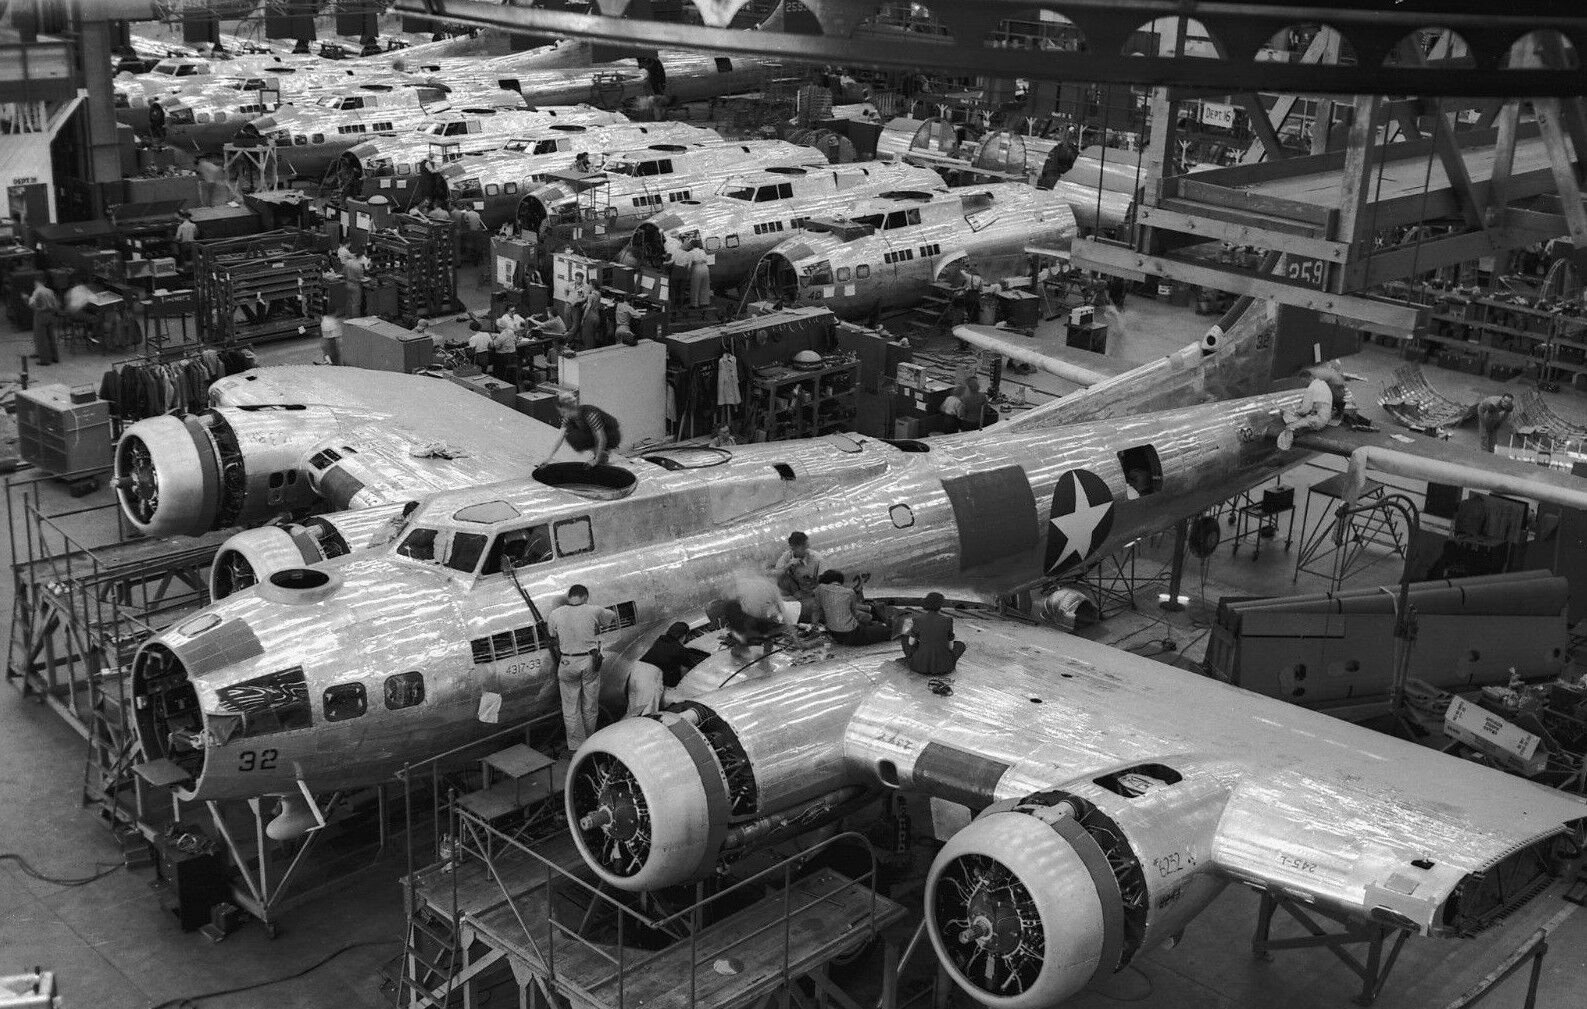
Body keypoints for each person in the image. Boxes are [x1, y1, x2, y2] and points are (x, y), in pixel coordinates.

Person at [547, 584, 616, 754]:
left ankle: (576, 746)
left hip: (567, 663)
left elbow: (551, 634)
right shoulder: (593, 610)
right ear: (585, 597)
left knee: (570, 709)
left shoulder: (555, 613)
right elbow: (612, 616)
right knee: (590, 705)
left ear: (570, 597)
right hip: (588, 661)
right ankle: (590, 742)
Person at [626, 622, 706, 717]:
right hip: (649, 677)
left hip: (635, 672)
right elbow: (684, 672)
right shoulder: (680, 650)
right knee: (646, 713)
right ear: (684, 636)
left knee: (633, 710)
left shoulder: (660, 640)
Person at [815, 570, 891, 645]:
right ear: (840, 580)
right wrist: (869, 618)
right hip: (852, 635)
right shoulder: (849, 592)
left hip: (834, 634)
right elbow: (854, 614)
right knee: (886, 630)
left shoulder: (820, 589)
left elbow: (816, 611)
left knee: (872, 625)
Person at [542, 395, 620, 466]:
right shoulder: (568, 417)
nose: (562, 415)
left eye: (563, 412)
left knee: (578, 436)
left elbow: (601, 438)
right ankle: (601, 454)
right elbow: (560, 437)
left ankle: (602, 453)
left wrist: (596, 460)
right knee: (570, 435)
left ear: (570, 409)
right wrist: (548, 458)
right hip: (594, 434)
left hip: (611, 435)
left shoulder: (590, 414)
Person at [901, 592, 965, 675]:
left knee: (905, 639)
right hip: (944, 667)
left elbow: (911, 643)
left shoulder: (918, 620)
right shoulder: (948, 620)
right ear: (940, 605)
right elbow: (950, 647)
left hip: (919, 667)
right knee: (960, 645)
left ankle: (914, 658)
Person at [1276, 369, 1341, 451]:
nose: (1304, 383)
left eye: (1303, 381)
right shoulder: (1324, 384)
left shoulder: (1311, 388)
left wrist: (1293, 411)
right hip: (1326, 418)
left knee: (1289, 425)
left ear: (1308, 378)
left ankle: (1283, 447)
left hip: (1317, 421)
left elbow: (1305, 410)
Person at [773, 531, 822, 619]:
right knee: (782, 579)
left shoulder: (816, 558)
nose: (806, 549)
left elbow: (823, 579)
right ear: (793, 548)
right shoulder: (787, 556)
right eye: (802, 547)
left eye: (806, 546)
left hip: (812, 590)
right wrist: (788, 566)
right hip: (797, 589)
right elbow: (775, 575)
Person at [26, 278, 59, 366]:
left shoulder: (37, 291)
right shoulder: (50, 291)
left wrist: (27, 299)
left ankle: (45, 360)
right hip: (50, 315)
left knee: (41, 339)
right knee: (51, 337)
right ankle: (55, 357)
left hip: (40, 315)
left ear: (36, 282)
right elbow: (56, 304)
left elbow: (31, 303)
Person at [685, 240, 711, 309]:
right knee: (705, 286)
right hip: (705, 268)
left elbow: (689, 265)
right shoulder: (703, 251)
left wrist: (688, 273)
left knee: (695, 286)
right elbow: (707, 260)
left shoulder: (690, 253)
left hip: (697, 268)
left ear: (692, 245)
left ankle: (694, 304)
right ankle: (704, 303)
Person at [343, 252, 368, 317]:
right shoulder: (358, 266)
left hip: (347, 284)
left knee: (349, 302)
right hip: (355, 285)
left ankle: (347, 317)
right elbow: (361, 278)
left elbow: (344, 273)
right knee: (356, 304)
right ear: (361, 257)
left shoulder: (348, 262)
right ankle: (355, 319)